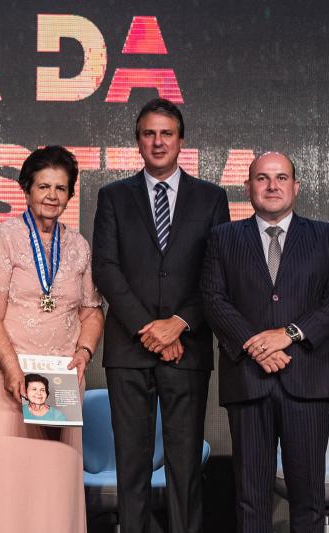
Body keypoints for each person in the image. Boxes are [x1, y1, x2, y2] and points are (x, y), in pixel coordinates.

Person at [92, 98, 230, 533]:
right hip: (129, 350)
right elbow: (106, 269)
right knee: (131, 464)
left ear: (181, 140)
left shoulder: (211, 198)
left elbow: (217, 273)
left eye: (166, 133)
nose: (157, 141)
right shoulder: (113, 196)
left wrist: (178, 324)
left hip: (186, 349)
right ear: (137, 142)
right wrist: (148, 329)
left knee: (184, 466)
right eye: (149, 134)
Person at [201, 152, 329, 532]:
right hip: (248, 380)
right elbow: (213, 298)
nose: (272, 186)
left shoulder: (326, 235)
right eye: (263, 178)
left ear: (296, 186)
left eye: (281, 177)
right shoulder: (223, 237)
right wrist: (255, 344)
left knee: (309, 497)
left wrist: (287, 335)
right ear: (248, 186)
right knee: (250, 497)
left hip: (308, 380)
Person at [0, 145, 104, 533]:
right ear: (26, 189)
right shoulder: (3, 238)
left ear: (70, 195)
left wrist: (84, 353)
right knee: (3, 481)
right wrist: (12, 370)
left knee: (53, 482)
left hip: (60, 383)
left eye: (60, 188)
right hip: (1, 379)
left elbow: (91, 311)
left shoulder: (78, 246)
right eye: (43, 186)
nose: (52, 196)